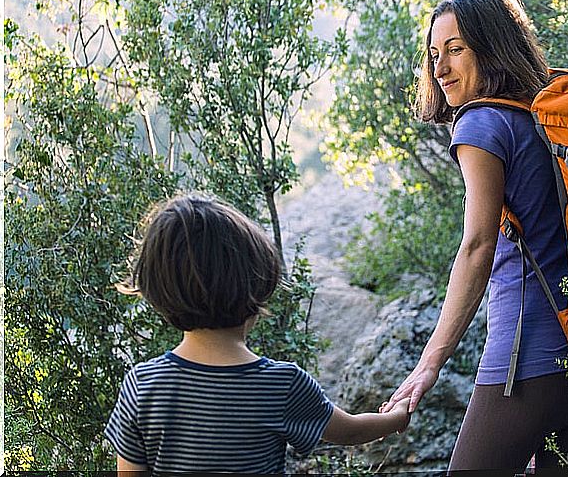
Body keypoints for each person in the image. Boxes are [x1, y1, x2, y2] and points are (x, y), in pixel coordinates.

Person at [380, 0, 568, 471]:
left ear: (489, 49)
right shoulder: (548, 119)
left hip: (527, 362)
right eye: (433, 54)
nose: (440, 68)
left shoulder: (480, 124)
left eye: (456, 50)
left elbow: (477, 246)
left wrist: (429, 365)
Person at [106, 193, 411, 473]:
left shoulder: (143, 385)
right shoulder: (282, 384)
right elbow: (351, 431)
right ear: (256, 284)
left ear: (158, 290)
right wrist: (396, 417)